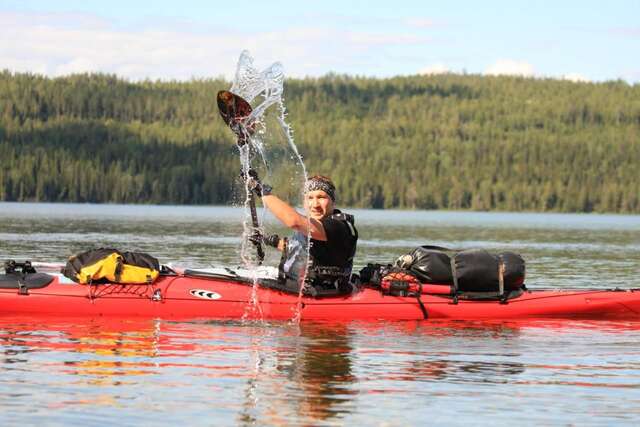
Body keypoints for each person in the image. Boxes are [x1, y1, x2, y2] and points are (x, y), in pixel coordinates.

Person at [246, 172, 358, 296]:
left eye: (321, 197)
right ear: (304, 202)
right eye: (310, 198)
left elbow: (293, 221)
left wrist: (262, 191)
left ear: (333, 202)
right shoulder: (314, 226)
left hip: (319, 294)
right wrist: (269, 240)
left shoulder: (338, 227)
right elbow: (301, 249)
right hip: (299, 286)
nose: (315, 204)